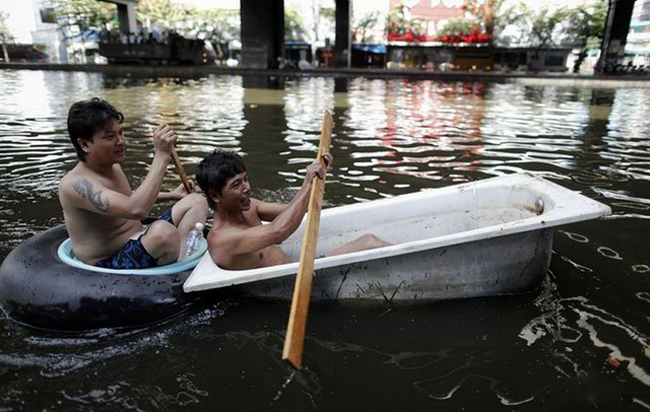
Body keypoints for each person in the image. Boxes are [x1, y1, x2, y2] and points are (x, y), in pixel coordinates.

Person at [58, 98, 208, 269]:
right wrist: (161, 156)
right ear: (84, 144)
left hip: (139, 237)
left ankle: (181, 260)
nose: (120, 141)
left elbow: (127, 198)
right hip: (109, 261)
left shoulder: (112, 165)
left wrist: (173, 195)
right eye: (110, 137)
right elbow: (136, 209)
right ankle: (176, 259)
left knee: (196, 201)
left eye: (121, 132)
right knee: (163, 233)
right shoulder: (76, 185)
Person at [196, 149, 390, 270]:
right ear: (215, 195)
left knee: (370, 240)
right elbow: (278, 231)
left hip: (301, 270)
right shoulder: (221, 239)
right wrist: (307, 184)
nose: (246, 187)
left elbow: (295, 211)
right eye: (237, 184)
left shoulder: (250, 207)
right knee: (372, 244)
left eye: (245, 179)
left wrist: (317, 177)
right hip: (293, 285)